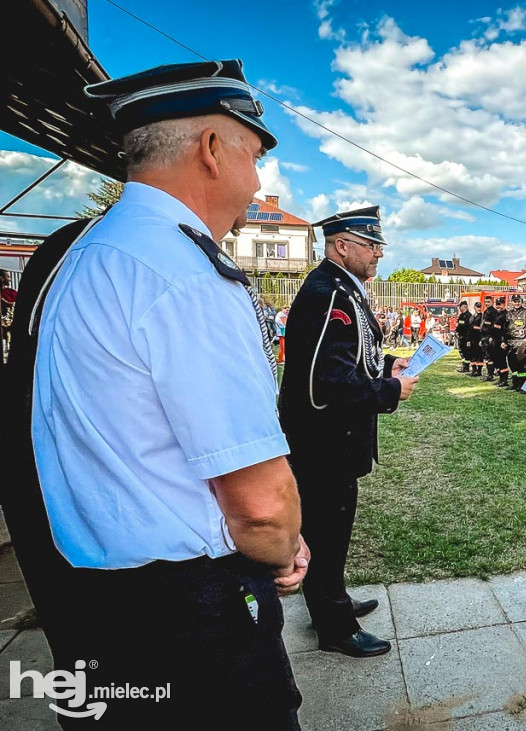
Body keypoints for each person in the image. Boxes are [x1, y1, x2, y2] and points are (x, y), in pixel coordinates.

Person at [2, 59, 305, 728]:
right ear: (212, 148)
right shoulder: (184, 274)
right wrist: (284, 543)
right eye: (254, 157)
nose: (257, 184)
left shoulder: (81, 252)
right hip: (190, 621)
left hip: (92, 604)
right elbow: (260, 506)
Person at [278, 206, 418, 657]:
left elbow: (351, 354)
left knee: (331, 530)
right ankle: (334, 626)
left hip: (331, 439)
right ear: (342, 245)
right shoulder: (329, 294)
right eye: (371, 244)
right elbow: (328, 383)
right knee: (326, 529)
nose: (378, 253)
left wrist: (386, 362)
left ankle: (331, 599)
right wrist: (391, 389)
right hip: (324, 441)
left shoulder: (342, 289)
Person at [505, 293, 526, 390]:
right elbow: (505, 327)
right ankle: (515, 382)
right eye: (515, 301)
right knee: (512, 363)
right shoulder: (509, 313)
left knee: (521, 364)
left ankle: (523, 384)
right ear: (512, 302)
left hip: (521, 341)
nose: (516, 303)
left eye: (518, 301)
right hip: (510, 341)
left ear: (521, 302)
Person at [491, 296, 511, 387]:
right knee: (496, 360)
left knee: (502, 361)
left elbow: (505, 330)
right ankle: (500, 378)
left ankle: (504, 379)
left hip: (502, 341)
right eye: (497, 305)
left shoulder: (506, 315)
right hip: (495, 340)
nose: (498, 306)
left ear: (504, 304)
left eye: (500, 305)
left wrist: (504, 341)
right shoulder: (497, 314)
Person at [480, 295, 497, 380]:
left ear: (492, 302)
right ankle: (488, 373)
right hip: (484, 336)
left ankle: (490, 374)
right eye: (485, 302)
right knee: (486, 356)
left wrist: (491, 337)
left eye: (488, 302)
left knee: (490, 356)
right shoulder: (486, 311)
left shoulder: (493, 312)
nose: (486, 303)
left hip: (489, 336)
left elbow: (494, 326)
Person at [455, 300, 473, 372]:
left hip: (466, 337)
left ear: (464, 306)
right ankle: (464, 365)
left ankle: (466, 367)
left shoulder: (468, 316)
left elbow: (469, 328)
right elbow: (459, 325)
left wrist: (468, 338)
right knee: (461, 351)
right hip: (461, 336)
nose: (459, 308)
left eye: (460, 306)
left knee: (466, 353)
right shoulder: (461, 315)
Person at [468, 300, 484, 375]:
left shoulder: (482, 317)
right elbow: (469, 328)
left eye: (480, 307)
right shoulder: (471, 317)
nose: (479, 308)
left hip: (478, 338)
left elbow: (482, 328)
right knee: (472, 355)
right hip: (472, 338)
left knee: (479, 355)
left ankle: (479, 371)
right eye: (477, 307)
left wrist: (475, 327)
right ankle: (473, 370)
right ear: (474, 307)